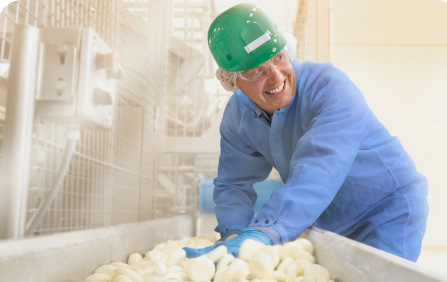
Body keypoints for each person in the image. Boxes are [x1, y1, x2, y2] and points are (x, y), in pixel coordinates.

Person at [184, 3, 429, 262]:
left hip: (387, 208)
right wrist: (233, 235)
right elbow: (234, 183)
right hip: (328, 216)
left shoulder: (329, 87)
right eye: (258, 70)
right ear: (232, 80)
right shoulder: (238, 116)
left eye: (279, 57)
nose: (277, 78)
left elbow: (320, 165)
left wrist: (264, 232)